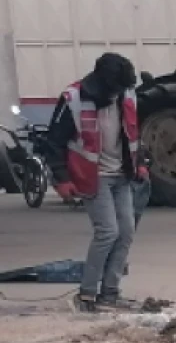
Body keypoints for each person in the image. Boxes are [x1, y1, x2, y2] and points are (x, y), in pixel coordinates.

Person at [42, 53, 149, 313]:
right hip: (91, 175)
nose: (118, 94)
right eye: (115, 89)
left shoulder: (126, 95)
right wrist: (61, 178)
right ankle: (87, 295)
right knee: (107, 232)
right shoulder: (74, 99)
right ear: (101, 82)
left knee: (126, 233)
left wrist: (141, 162)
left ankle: (110, 294)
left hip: (121, 175)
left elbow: (133, 134)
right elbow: (54, 142)